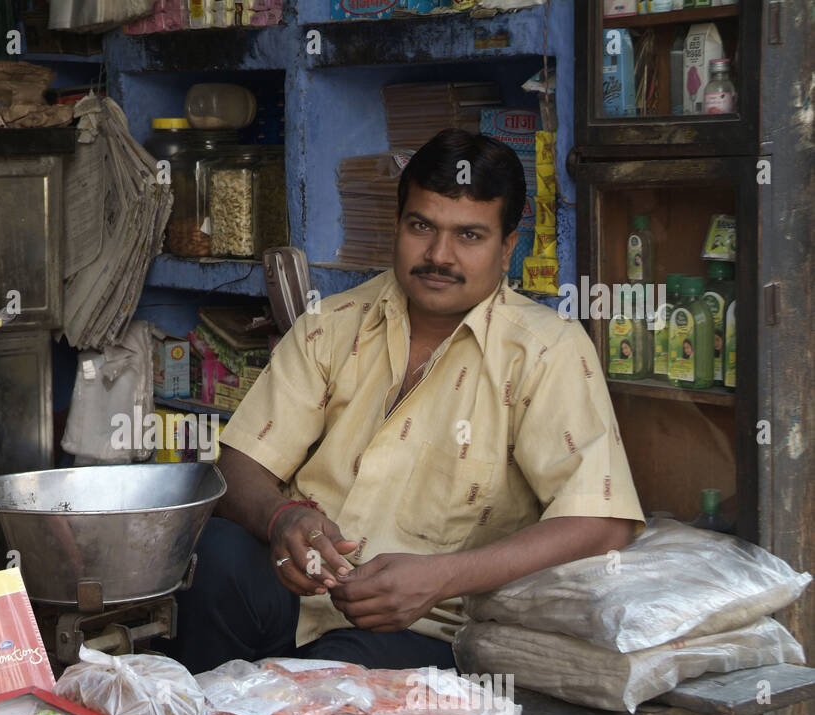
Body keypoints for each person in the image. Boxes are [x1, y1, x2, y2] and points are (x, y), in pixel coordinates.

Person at [160, 129, 644, 673]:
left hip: (428, 625)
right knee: (215, 556)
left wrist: (441, 577)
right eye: (422, 227)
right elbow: (241, 463)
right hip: (300, 590)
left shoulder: (546, 351)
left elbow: (602, 522)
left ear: (508, 245)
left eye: (469, 235)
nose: (440, 256)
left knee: (329, 676)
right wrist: (282, 518)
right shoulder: (333, 324)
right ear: (397, 224)